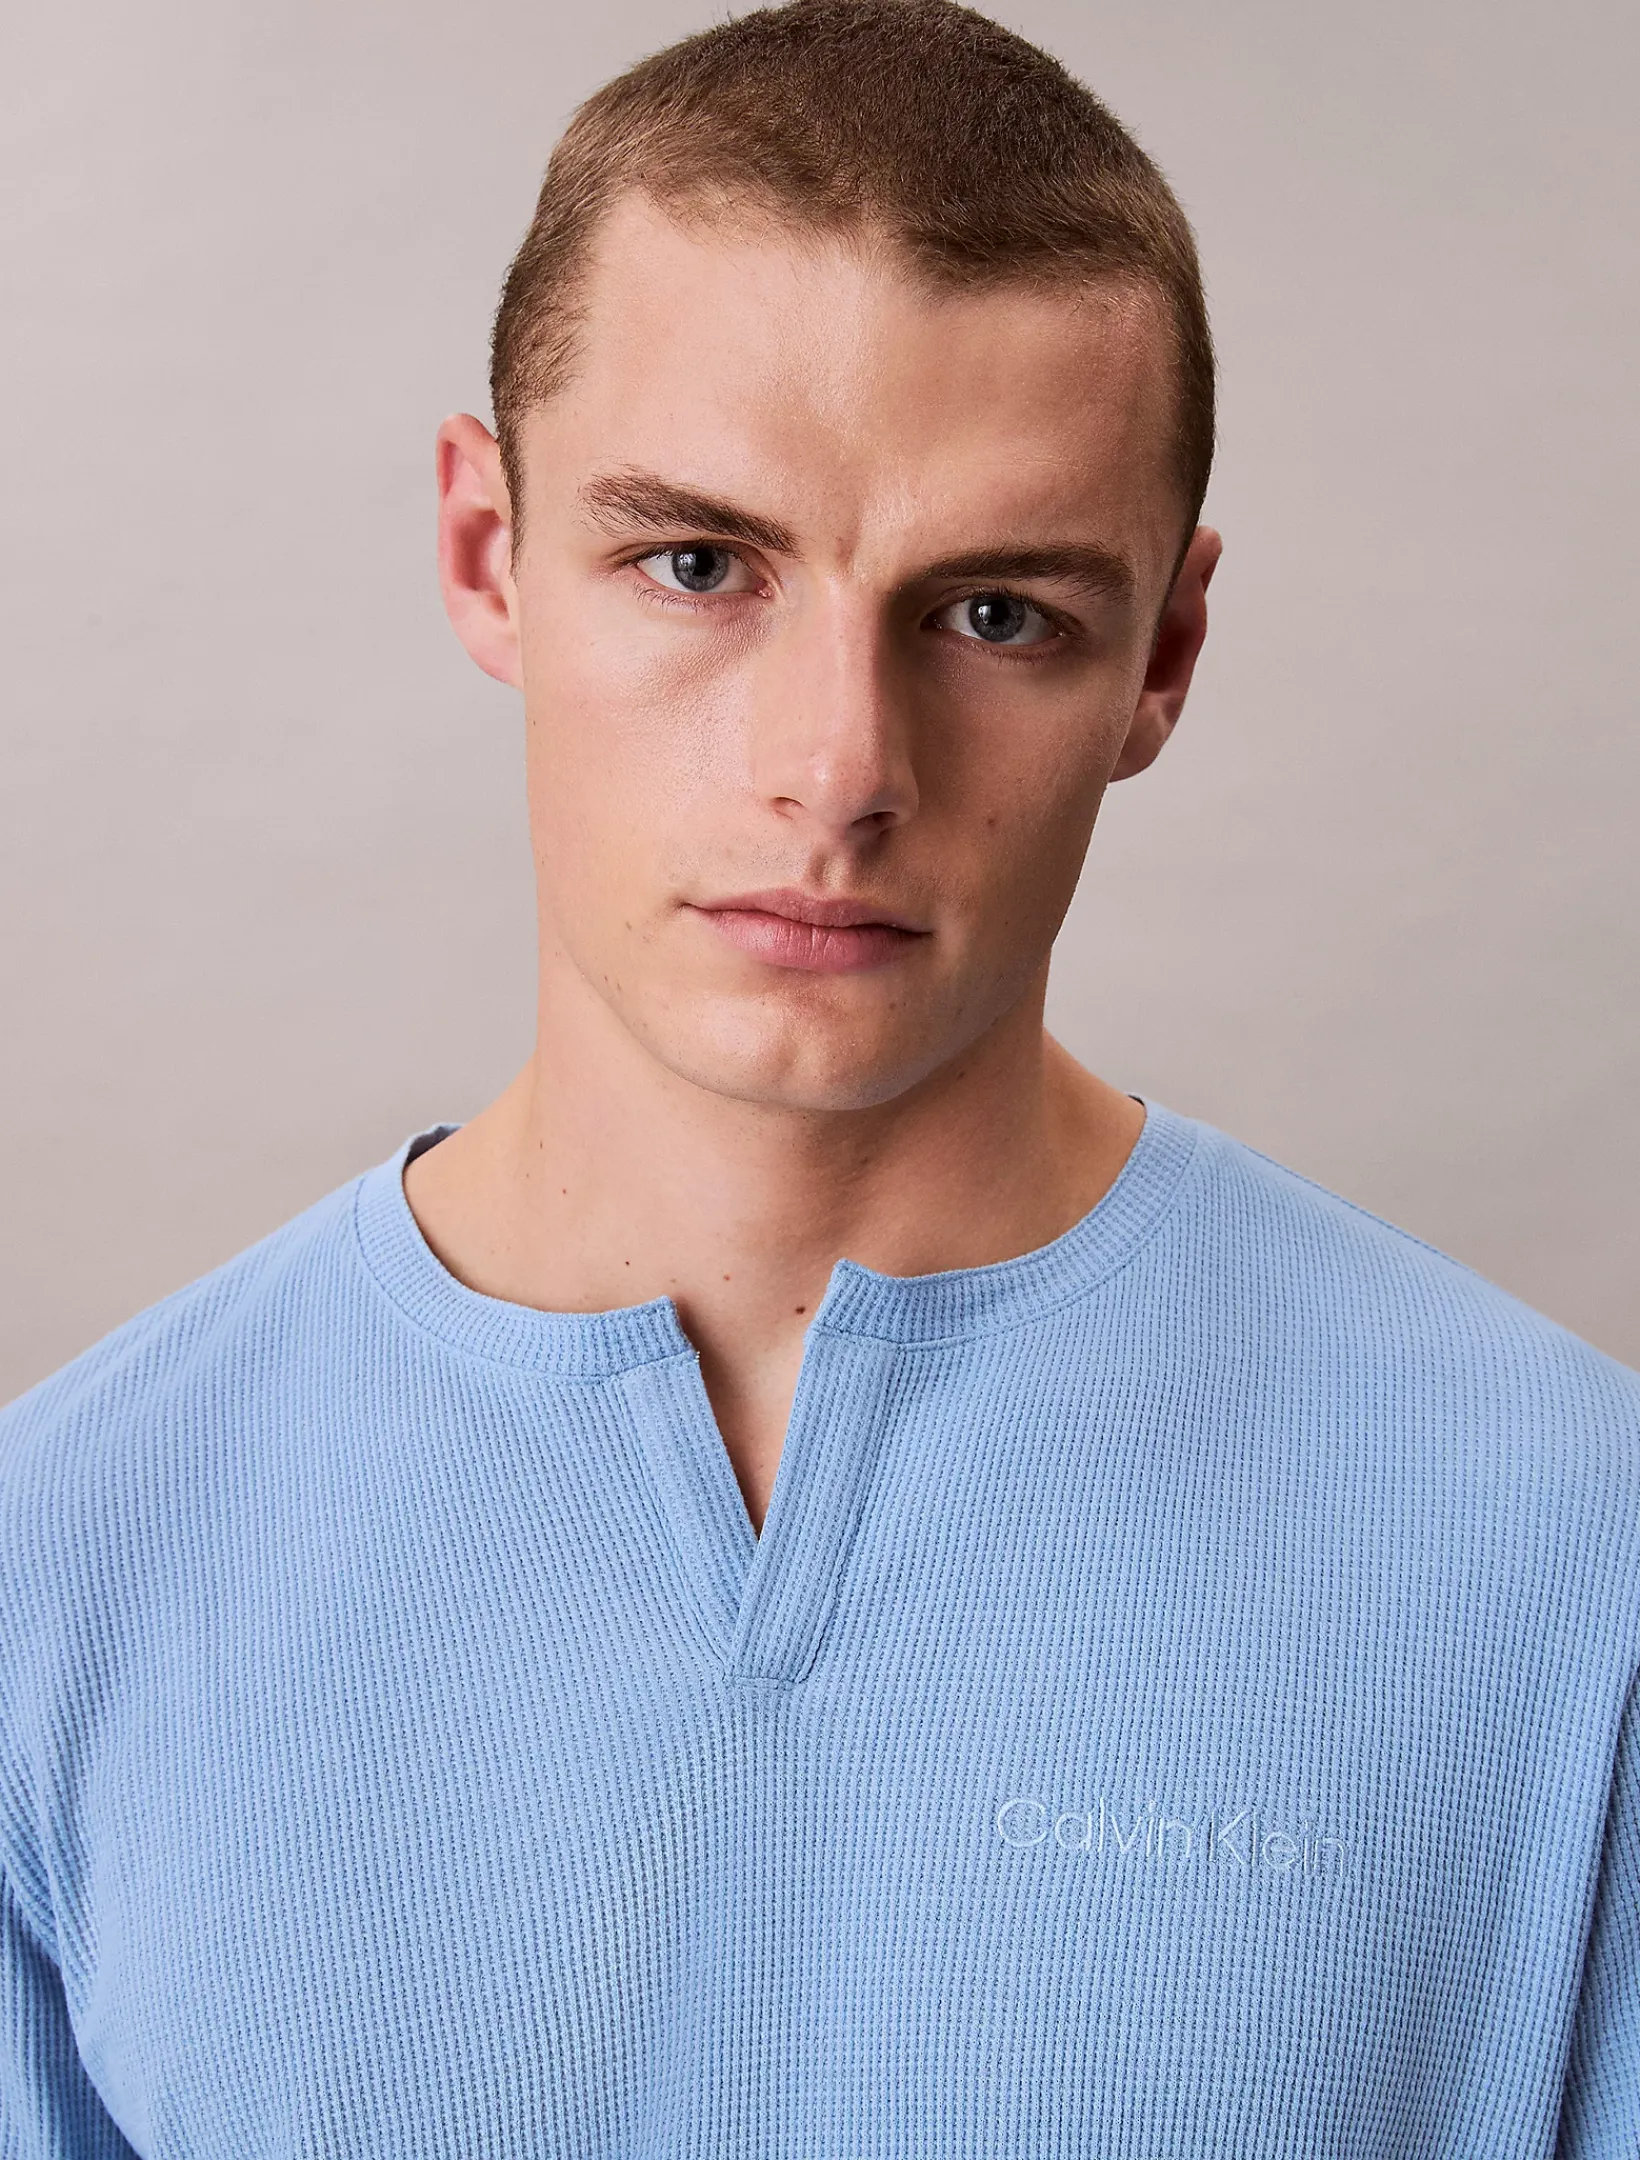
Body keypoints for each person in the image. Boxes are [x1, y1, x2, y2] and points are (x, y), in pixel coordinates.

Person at [1, 0, 1635, 2151]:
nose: (837, 770)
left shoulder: (1571, 1553)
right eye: (697, 565)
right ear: (489, 553)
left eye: (995, 613)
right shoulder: (62, 1570)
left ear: (1163, 654)